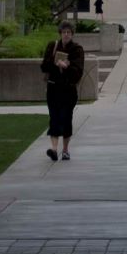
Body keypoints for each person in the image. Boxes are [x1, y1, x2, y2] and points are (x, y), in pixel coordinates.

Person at [40, 23, 85, 161]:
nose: (66, 34)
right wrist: (55, 63)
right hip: (53, 89)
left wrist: (67, 66)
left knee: (66, 118)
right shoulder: (52, 46)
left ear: (72, 34)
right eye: (63, 32)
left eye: (68, 32)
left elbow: (78, 72)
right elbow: (43, 66)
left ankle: (65, 150)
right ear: (60, 33)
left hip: (68, 89)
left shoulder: (77, 49)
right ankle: (54, 149)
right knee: (54, 118)